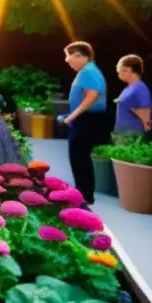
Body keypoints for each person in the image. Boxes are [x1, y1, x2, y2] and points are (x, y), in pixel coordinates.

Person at [63, 41, 109, 204]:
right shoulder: (87, 71)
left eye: (69, 56)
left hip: (87, 120)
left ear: (79, 56)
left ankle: (84, 195)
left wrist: (73, 116)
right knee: (79, 157)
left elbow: (92, 95)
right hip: (85, 119)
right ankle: (82, 193)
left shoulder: (88, 71)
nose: (67, 61)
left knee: (79, 157)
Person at [114, 55, 152, 135]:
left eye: (123, 70)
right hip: (122, 136)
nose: (119, 73)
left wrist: (148, 136)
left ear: (133, 70)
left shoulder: (140, 88)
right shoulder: (128, 89)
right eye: (119, 70)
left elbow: (145, 116)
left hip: (132, 138)